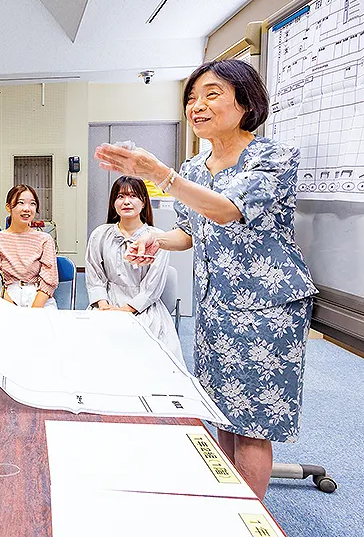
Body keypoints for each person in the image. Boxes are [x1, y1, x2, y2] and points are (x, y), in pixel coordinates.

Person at [94, 60, 317, 499]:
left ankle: (247, 516)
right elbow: (191, 233)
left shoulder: (273, 157)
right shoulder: (195, 168)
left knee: (252, 425)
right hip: (215, 308)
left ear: (245, 101)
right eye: (191, 98)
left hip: (267, 309)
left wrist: (159, 174)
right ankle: (226, 505)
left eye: (211, 94)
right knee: (220, 413)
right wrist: (156, 238)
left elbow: (227, 209)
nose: (197, 106)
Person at [86, 175, 183, 359]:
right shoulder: (100, 234)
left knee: (146, 355)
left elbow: (152, 288)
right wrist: (104, 306)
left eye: (133, 196)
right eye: (120, 196)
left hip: (144, 308)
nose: (126, 201)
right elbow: (94, 276)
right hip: (106, 303)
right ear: (113, 203)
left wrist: (124, 311)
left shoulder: (157, 237)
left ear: (144, 202)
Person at [0, 185, 58, 308]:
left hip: (38, 295)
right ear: (8, 207)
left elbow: (49, 280)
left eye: (32, 204)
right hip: (6, 295)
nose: (27, 209)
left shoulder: (45, 239)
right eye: (21, 203)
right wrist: (13, 309)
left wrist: (34, 310)